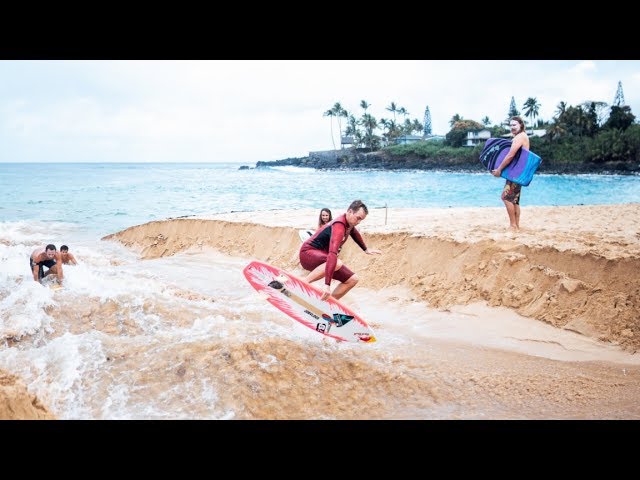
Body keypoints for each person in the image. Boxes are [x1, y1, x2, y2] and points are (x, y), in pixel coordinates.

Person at [300, 200, 382, 301]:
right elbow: (332, 254)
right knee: (337, 263)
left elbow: (354, 233)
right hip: (308, 254)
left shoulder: (349, 224)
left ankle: (326, 303)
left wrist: (366, 249)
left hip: (323, 260)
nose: (359, 222)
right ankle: (303, 283)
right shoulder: (339, 225)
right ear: (350, 211)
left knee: (352, 279)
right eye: (358, 218)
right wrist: (327, 285)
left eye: (361, 220)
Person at [491, 116, 530, 231]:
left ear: (521, 125)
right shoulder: (523, 136)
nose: (512, 127)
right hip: (519, 171)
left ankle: (513, 225)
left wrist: (499, 170)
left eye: (515, 125)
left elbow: (510, 155)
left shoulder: (519, 137)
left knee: (506, 198)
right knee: (514, 200)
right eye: (511, 125)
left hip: (516, 173)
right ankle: (516, 226)